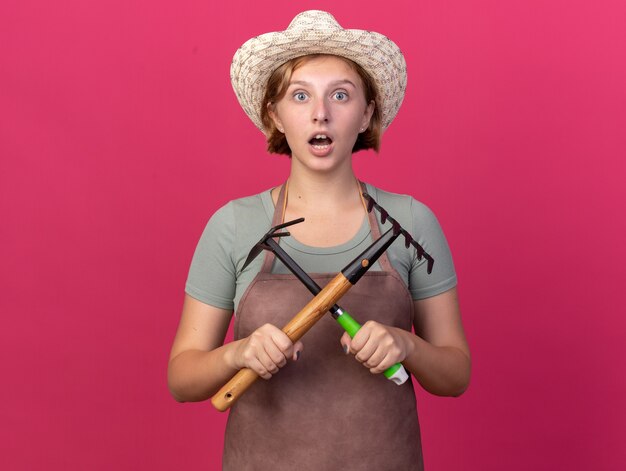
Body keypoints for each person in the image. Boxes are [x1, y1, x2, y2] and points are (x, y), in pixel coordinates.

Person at [168, 10, 470, 470]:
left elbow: (455, 374)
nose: (320, 113)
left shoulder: (410, 221)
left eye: (342, 95)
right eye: (300, 95)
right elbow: (182, 378)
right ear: (275, 114)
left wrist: (405, 346)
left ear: (367, 112)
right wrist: (238, 352)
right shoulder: (234, 225)